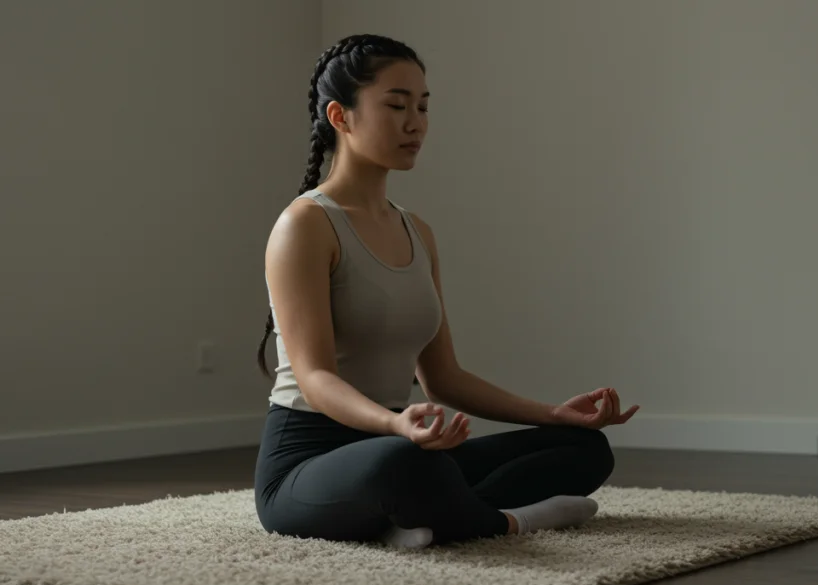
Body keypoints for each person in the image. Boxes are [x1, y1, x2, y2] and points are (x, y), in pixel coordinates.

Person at [253, 34, 639, 549]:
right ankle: (510, 522)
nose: (416, 123)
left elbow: (444, 379)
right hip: (308, 462)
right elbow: (316, 377)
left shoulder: (417, 232)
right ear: (340, 117)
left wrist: (554, 414)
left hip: (405, 443)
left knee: (585, 450)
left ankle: (424, 518)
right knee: (404, 466)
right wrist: (395, 425)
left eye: (423, 107)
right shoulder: (304, 226)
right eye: (396, 105)